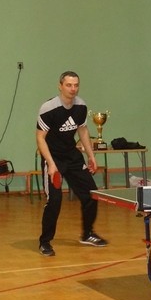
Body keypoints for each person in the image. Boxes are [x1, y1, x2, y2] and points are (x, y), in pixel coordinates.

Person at [36, 71, 107, 256]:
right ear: (60, 86)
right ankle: (45, 242)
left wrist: (91, 156)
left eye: (76, 85)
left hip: (72, 156)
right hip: (53, 157)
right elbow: (40, 138)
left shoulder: (81, 106)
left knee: (91, 195)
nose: (73, 89)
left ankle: (87, 233)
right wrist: (51, 164)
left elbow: (82, 130)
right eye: (69, 85)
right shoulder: (48, 108)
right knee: (55, 200)